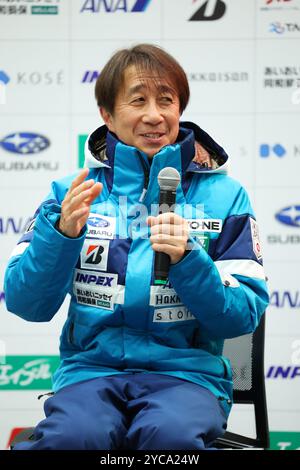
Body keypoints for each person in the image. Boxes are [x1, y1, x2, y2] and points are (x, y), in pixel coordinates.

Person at [4, 44, 269, 450]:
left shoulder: (226, 195)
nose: (154, 115)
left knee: (170, 439)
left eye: (166, 100)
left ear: (181, 108)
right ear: (107, 115)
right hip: (90, 375)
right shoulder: (71, 194)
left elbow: (241, 318)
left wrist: (188, 258)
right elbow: (27, 304)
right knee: (75, 439)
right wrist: (60, 237)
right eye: (138, 100)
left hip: (188, 379)